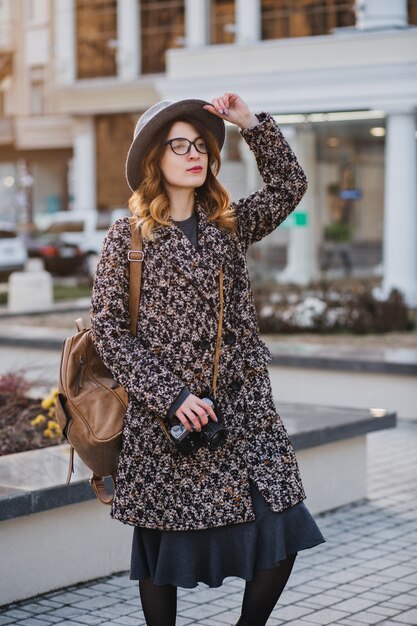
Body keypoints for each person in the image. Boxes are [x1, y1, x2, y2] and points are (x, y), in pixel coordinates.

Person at [90, 93, 324, 626]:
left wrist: (251, 125)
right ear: (155, 158)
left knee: (282, 526)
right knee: (161, 554)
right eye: (180, 145)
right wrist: (171, 396)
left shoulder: (229, 225)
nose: (195, 154)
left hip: (242, 416)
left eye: (200, 145)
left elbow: (290, 188)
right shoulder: (127, 238)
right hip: (165, 419)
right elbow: (108, 329)